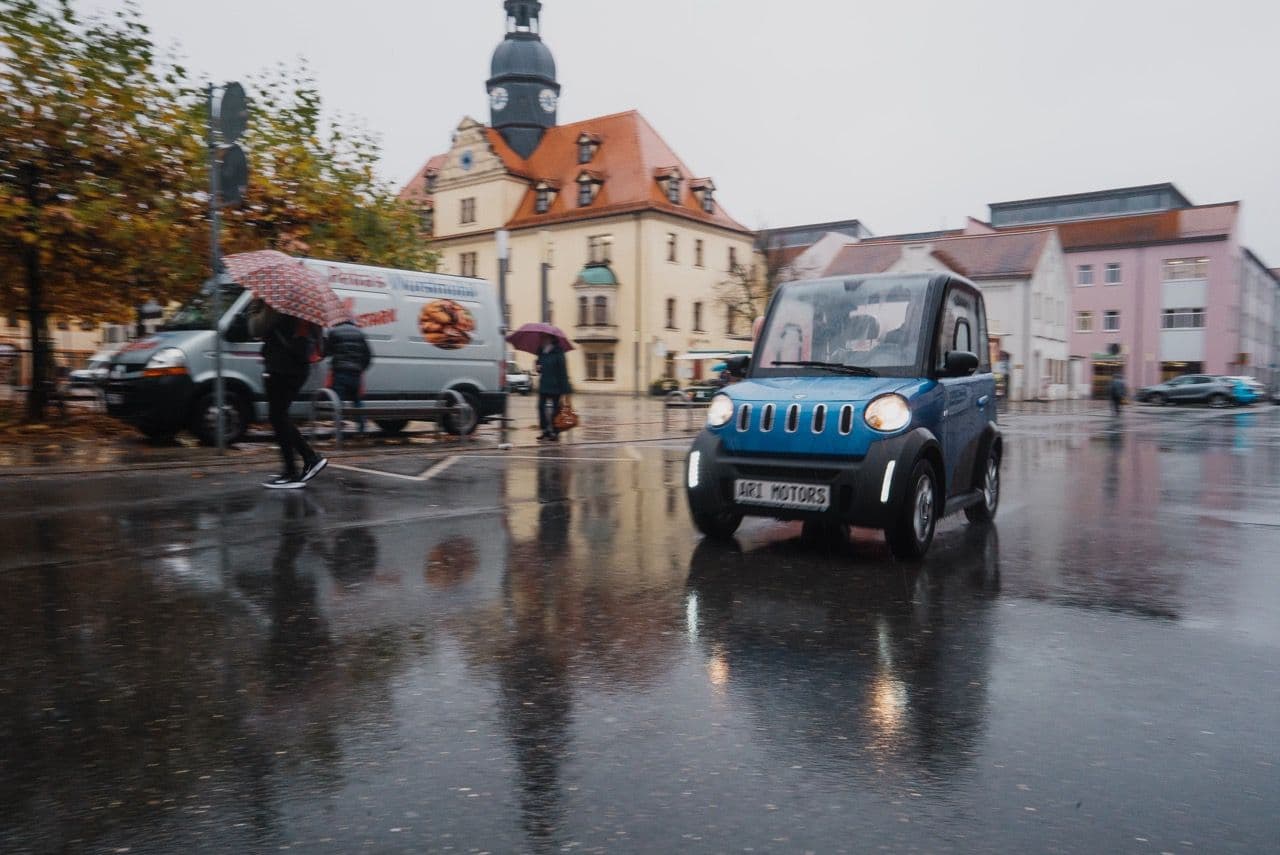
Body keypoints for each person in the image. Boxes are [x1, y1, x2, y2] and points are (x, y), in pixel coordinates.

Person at [248, 298, 327, 488]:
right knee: (280, 416)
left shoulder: (276, 302)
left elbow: (255, 329)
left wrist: (256, 304)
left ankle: (295, 469)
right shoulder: (306, 304)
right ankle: (305, 462)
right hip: (299, 366)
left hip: (280, 366)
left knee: (277, 417)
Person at [326, 319, 372, 438]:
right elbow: (368, 355)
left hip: (340, 372)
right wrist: (361, 368)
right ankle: (361, 430)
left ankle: (338, 433)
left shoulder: (334, 332)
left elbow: (327, 351)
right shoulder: (360, 333)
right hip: (355, 373)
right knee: (357, 401)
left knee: (338, 403)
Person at [534, 333, 570, 442]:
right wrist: (538, 367)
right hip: (544, 384)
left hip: (556, 385)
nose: (543, 339)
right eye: (542, 337)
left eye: (545, 337)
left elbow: (563, 370)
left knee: (555, 410)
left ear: (551, 338)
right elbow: (539, 367)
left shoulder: (558, 351)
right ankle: (545, 430)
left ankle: (555, 432)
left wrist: (565, 389)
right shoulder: (541, 351)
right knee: (540, 407)